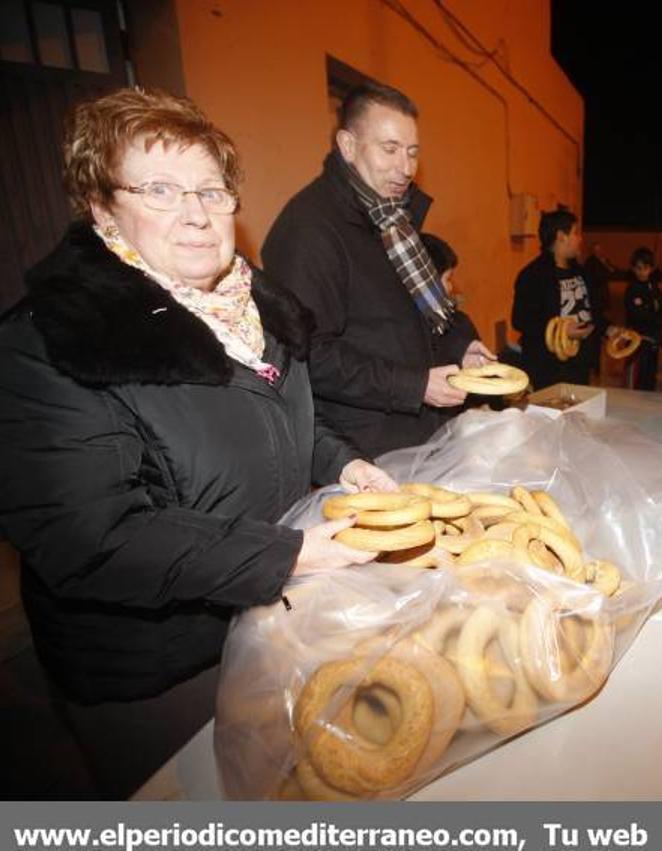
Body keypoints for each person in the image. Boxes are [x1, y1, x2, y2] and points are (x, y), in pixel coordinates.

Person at [0, 89, 394, 798]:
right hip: (154, 668)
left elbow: (286, 420)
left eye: (212, 190)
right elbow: (90, 534)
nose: (196, 212)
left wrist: (345, 462)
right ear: (100, 205)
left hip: (263, 621)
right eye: (160, 189)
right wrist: (291, 555)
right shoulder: (51, 338)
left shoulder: (257, 307)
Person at [263, 83, 494, 458]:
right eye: (389, 150)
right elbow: (309, 356)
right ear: (348, 145)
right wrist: (414, 386)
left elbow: (418, 315)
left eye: (413, 153)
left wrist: (460, 347)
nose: (405, 169)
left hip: (421, 430)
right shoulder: (309, 230)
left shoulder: (393, 219)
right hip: (363, 449)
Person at [510, 206, 611, 389]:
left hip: (580, 364)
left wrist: (608, 329)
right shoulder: (533, 275)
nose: (580, 239)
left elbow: (590, 312)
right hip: (548, 368)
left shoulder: (582, 273)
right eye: (575, 233)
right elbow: (521, 320)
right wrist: (562, 331)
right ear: (561, 236)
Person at [622, 246, 662, 390]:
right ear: (633, 268)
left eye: (646, 268)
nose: (642, 272)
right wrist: (654, 314)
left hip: (652, 340)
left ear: (651, 268)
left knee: (649, 379)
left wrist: (657, 316)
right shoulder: (632, 289)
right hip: (637, 342)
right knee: (636, 381)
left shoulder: (653, 286)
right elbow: (638, 316)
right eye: (638, 268)